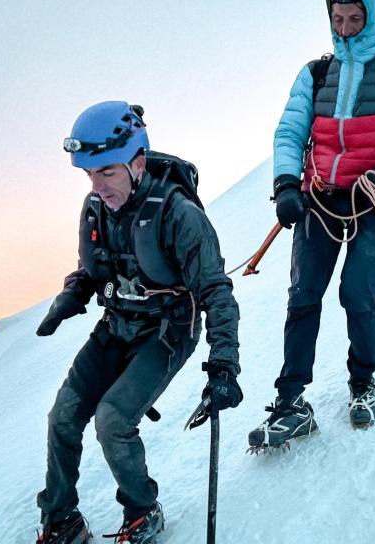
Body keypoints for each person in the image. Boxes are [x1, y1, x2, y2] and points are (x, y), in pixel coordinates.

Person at [248, 0, 375, 451]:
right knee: (303, 296)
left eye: (356, 19)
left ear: (374, 18)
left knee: (357, 292)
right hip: (319, 198)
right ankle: (291, 404)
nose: (348, 28)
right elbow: (290, 132)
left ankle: (363, 384)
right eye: (339, 20)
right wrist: (286, 183)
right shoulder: (314, 74)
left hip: (373, 200)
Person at [34, 101, 242, 544]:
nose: (97, 185)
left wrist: (224, 363)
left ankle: (142, 510)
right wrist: (73, 294)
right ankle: (61, 518)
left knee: (112, 419)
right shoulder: (94, 209)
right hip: (117, 326)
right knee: (63, 416)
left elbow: (216, 291)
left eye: (106, 171)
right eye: (89, 173)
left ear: (137, 162)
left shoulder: (178, 214)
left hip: (167, 332)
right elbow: (93, 270)